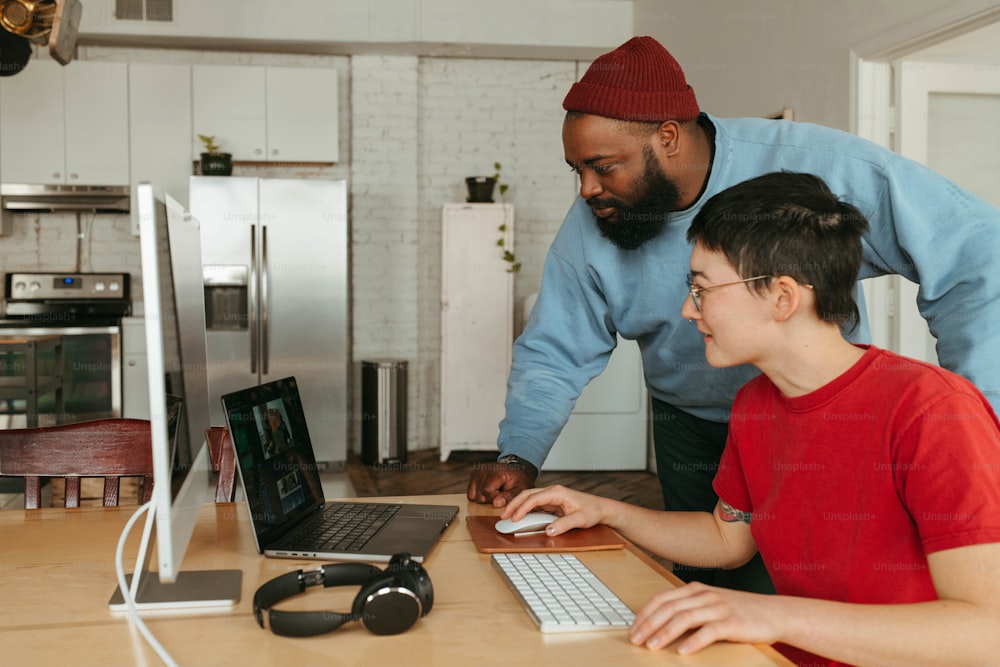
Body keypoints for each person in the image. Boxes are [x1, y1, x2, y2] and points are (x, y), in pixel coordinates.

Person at [466, 35, 1000, 591]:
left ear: (667, 137)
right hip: (706, 419)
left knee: (831, 575)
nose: (586, 189)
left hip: (825, 417)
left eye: (602, 166)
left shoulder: (817, 170)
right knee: (710, 585)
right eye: (576, 169)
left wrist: (976, 424)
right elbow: (554, 348)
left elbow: (976, 251)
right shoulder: (597, 220)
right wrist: (523, 456)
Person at [499, 171, 1000, 667]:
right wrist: (607, 511)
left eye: (702, 289)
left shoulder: (933, 412)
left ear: (783, 297)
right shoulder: (757, 404)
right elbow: (727, 539)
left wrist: (775, 616)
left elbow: (986, 632)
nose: (687, 310)